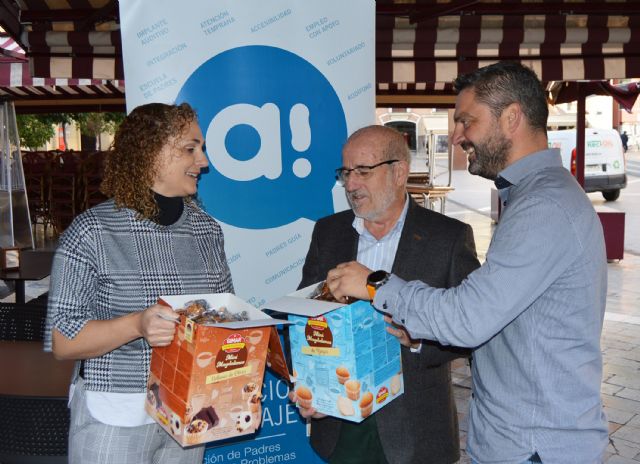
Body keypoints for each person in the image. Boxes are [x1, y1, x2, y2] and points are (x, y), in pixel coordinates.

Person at [327, 61, 609, 463]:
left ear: (511, 117)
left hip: (535, 448)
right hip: (517, 440)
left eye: (466, 121)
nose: (457, 136)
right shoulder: (533, 197)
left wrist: (375, 283)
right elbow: (497, 324)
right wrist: (420, 335)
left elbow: (468, 316)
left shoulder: (543, 205)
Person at [45, 102, 234, 464]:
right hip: (115, 414)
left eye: (202, 149)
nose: (204, 162)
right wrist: (137, 324)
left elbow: (220, 322)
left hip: (190, 415)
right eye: (191, 148)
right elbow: (63, 341)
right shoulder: (91, 232)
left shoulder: (208, 231)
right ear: (151, 152)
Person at [290, 125, 480, 463]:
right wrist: (313, 389)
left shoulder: (448, 238)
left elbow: (471, 331)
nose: (350, 185)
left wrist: (420, 339)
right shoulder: (328, 232)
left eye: (363, 171)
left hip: (415, 431)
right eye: (346, 173)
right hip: (340, 424)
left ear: (399, 172)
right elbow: (307, 319)